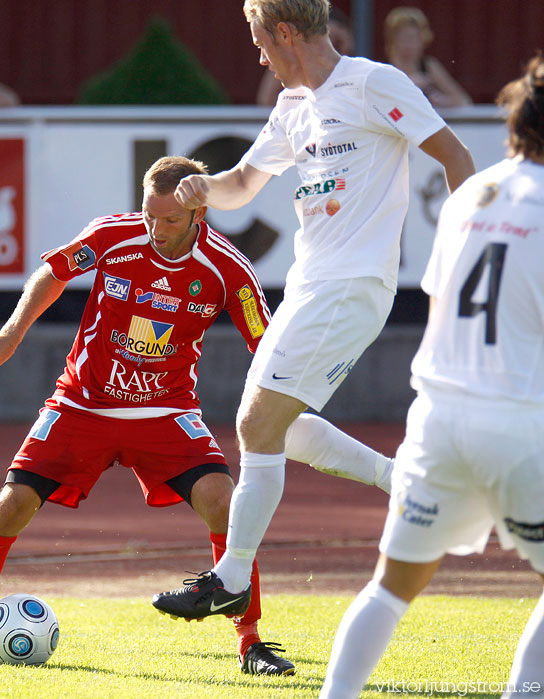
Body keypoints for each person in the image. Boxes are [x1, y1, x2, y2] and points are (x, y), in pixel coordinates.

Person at [151, 0, 475, 623]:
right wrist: (201, 187)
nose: (259, 54)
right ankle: (404, 481)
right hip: (308, 286)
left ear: (286, 32)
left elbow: (456, 157)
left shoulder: (374, 83)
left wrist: (469, 255)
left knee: (255, 423)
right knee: (277, 427)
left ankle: (231, 577)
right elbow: (242, 184)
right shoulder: (291, 107)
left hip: (351, 286)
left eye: (259, 40)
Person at [0, 155, 308, 674]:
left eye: (170, 220)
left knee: (225, 504)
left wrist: (288, 398)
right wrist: (12, 333)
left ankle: (252, 645)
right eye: (150, 215)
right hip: (82, 403)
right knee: (10, 507)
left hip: (167, 411)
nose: (156, 229)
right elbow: (53, 272)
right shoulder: (112, 237)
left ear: (199, 214)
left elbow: (265, 344)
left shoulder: (228, 269)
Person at [319, 54, 544, 699]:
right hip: (519, 422)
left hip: (438, 418)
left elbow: (446, 300)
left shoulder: (475, 192)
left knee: (390, 587)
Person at [256, 6, 353, 105]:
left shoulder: (359, 76)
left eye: (333, 42)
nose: (326, 47)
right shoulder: (288, 98)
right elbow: (266, 99)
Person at [384, 7, 472, 109]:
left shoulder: (429, 67)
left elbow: (464, 100)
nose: (408, 45)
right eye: (403, 38)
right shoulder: (385, 69)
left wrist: (441, 100)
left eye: (413, 38)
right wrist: (409, 86)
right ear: (392, 40)